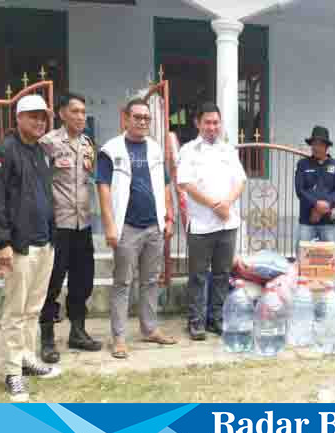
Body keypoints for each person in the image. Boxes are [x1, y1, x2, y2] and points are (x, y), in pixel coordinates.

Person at [0, 94, 61, 401]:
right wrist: (1, 242)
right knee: (15, 311)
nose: (40, 121)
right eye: (33, 116)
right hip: (18, 246)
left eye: (43, 117)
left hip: (44, 241)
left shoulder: (41, 152)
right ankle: (13, 372)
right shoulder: (3, 151)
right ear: (18, 118)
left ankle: (28, 360)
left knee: (33, 308)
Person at [97, 98, 177, 359]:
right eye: (137, 117)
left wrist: (168, 216)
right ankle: (118, 337)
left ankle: (149, 329)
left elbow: (165, 184)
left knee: (151, 280)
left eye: (146, 118)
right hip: (126, 227)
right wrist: (109, 225)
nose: (142, 122)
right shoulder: (111, 149)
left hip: (153, 225)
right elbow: (104, 188)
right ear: (126, 118)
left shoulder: (154, 149)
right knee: (122, 282)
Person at [37, 93, 102, 364]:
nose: (80, 116)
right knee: (52, 283)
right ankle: (48, 338)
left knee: (82, 281)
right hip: (58, 226)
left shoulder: (88, 145)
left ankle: (78, 331)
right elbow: (39, 183)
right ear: (61, 113)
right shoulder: (48, 143)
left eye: (83, 111)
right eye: (74, 111)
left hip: (83, 225)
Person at [177, 102, 247, 340]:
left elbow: (240, 181)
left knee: (222, 273)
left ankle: (215, 319)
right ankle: (195, 321)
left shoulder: (228, 150)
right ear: (198, 123)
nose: (212, 127)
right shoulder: (188, 150)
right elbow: (186, 183)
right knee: (197, 275)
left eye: (216, 122)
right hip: (201, 224)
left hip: (227, 223)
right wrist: (214, 205)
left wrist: (226, 203)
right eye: (207, 122)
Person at [295, 126, 335, 247]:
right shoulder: (303, 164)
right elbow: (300, 190)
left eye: (320, 144)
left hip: (329, 222)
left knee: (329, 260)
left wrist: (324, 207)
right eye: (314, 144)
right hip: (307, 220)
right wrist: (316, 205)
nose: (316, 148)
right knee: (303, 258)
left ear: (327, 147)